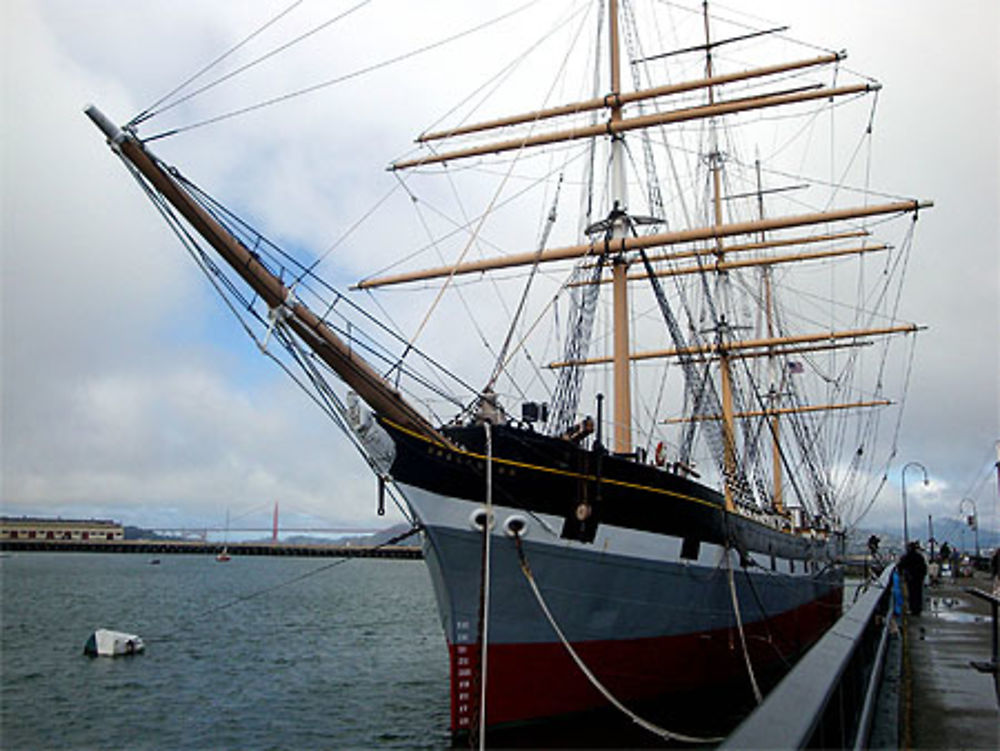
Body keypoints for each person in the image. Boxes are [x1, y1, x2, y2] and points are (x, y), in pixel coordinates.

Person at [899, 541, 928, 615]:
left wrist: (903, 575)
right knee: (918, 594)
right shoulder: (919, 557)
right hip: (918, 578)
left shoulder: (906, 557)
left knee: (912, 594)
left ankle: (913, 609)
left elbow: (900, 566)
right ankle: (918, 609)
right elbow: (924, 568)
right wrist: (922, 576)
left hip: (910, 578)